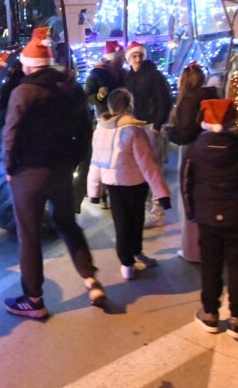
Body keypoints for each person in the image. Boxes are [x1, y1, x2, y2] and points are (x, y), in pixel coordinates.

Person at [2, 27, 106, 318]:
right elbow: (86, 130)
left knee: (29, 235)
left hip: (29, 174)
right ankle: (91, 280)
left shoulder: (23, 92)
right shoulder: (70, 88)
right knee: (68, 224)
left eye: (24, 63)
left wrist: (9, 168)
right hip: (61, 171)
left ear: (32, 65)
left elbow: (10, 135)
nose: (22, 67)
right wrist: (71, 163)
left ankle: (33, 299)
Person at [182, 98, 238, 341]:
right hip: (237, 218)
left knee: (210, 266)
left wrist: (192, 213)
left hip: (207, 220)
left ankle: (209, 313)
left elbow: (185, 183)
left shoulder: (195, 150)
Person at [87, 88, 172, 280]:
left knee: (122, 223)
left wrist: (94, 190)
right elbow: (148, 165)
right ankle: (130, 259)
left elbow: (96, 161)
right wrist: (162, 194)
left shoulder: (101, 129)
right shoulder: (134, 131)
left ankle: (130, 259)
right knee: (134, 222)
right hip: (135, 185)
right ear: (129, 106)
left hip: (113, 187)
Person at [164, 62, 218, 261]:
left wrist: (169, 131)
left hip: (192, 152)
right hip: (208, 148)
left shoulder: (188, 100)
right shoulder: (211, 94)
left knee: (188, 197)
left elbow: (185, 134)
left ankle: (192, 249)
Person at [122, 41, 172, 228]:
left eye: (140, 56)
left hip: (150, 125)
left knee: (153, 168)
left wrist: (157, 125)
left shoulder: (154, 76)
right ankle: (145, 208)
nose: (137, 59)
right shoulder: (129, 77)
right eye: (134, 56)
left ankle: (157, 210)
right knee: (140, 169)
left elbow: (164, 101)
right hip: (136, 126)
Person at [84, 40, 125, 118]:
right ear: (113, 59)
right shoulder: (96, 73)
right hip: (105, 116)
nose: (123, 61)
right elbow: (88, 97)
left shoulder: (123, 73)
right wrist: (99, 96)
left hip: (122, 114)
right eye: (121, 58)